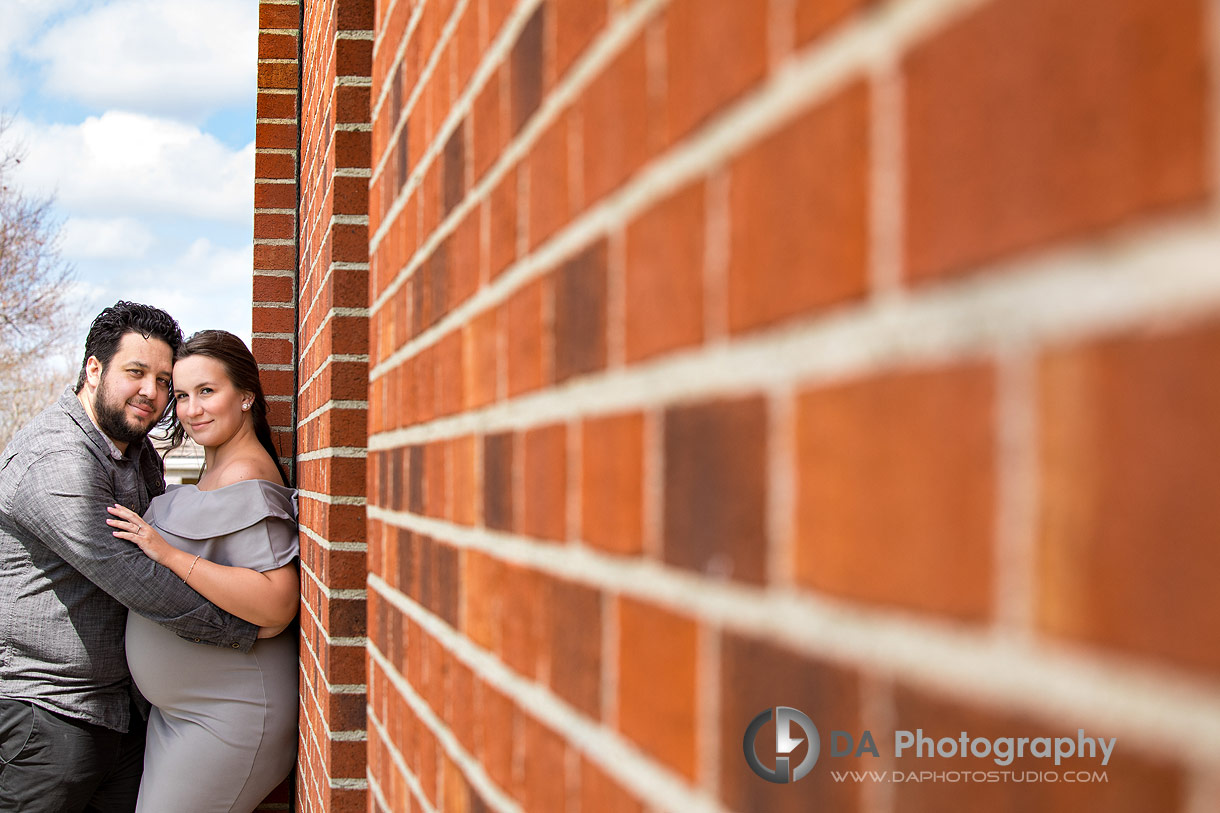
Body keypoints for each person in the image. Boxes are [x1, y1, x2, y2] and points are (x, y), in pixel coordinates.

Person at [0, 302, 261, 812]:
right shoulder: (57, 463)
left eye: (164, 381)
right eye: (136, 372)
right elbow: (133, 575)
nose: (153, 393)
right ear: (94, 369)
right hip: (49, 718)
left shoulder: (137, 451)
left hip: (121, 716)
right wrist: (247, 624)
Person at [105, 329, 299, 813]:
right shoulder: (214, 471)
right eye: (183, 394)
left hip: (229, 712)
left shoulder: (246, 477)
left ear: (247, 396)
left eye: (207, 392)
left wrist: (167, 554)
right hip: (185, 711)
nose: (192, 410)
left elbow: (276, 604)